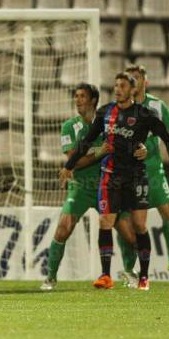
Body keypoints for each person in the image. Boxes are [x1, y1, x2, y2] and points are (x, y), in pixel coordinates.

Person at [60, 73, 169, 291]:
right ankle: (105, 275)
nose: (117, 89)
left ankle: (145, 277)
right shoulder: (106, 112)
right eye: (116, 85)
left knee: (139, 225)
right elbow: (87, 142)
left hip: (136, 176)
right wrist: (69, 165)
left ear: (132, 89)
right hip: (110, 176)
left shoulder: (144, 114)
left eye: (122, 85)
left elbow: (167, 140)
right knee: (105, 222)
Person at [40, 84, 147, 291]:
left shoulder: (110, 125)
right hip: (81, 186)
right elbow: (74, 161)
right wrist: (100, 151)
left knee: (129, 234)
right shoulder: (69, 127)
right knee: (63, 229)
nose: (77, 100)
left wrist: (140, 149)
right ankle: (50, 277)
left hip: (109, 185)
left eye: (82, 96)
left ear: (93, 101)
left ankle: (130, 272)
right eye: (76, 96)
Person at [119, 64, 169, 284]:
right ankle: (129, 269)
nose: (134, 82)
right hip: (129, 173)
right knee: (128, 223)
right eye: (131, 78)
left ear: (144, 82)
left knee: (167, 213)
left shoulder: (157, 105)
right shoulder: (121, 108)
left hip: (154, 172)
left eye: (137, 78)